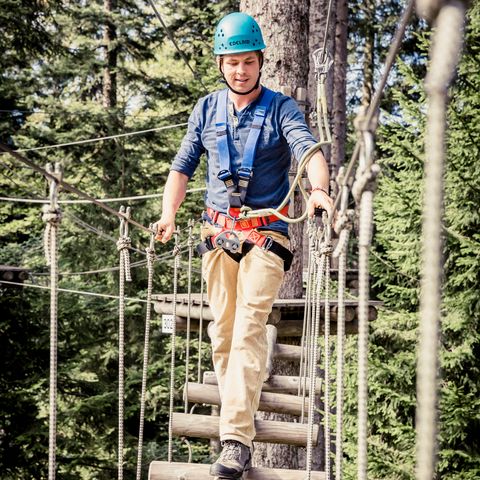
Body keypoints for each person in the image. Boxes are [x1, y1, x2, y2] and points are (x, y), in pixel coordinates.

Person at [155, 12, 333, 479]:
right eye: (232, 62)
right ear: (221, 64)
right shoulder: (206, 110)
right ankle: (239, 409)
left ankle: (235, 440)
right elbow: (182, 165)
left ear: (260, 62)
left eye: (248, 62)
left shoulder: (281, 108)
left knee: (250, 329)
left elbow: (308, 149)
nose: (240, 71)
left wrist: (319, 190)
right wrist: (168, 215)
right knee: (224, 335)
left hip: (265, 238)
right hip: (217, 237)